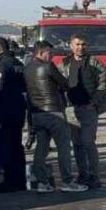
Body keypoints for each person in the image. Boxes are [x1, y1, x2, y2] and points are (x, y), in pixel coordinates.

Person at [25, 41, 87, 193]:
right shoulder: (48, 67)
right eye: (49, 52)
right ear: (40, 52)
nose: (51, 56)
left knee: (41, 148)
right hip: (54, 112)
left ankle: (41, 182)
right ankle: (67, 181)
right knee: (64, 147)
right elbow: (65, 84)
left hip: (37, 113)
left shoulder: (27, 69)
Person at [59, 34, 106, 189]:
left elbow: (103, 84)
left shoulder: (94, 62)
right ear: (71, 46)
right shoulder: (65, 63)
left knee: (88, 142)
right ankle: (83, 174)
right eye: (77, 44)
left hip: (88, 108)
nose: (81, 47)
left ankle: (94, 175)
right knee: (77, 144)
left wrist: (95, 102)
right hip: (72, 109)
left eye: (83, 44)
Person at [0, 37, 28, 193]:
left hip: (4, 112)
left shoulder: (1, 65)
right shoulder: (18, 63)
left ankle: (10, 181)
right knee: (17, 146)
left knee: (6, 146)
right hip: (18, 111)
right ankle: (20, 179)